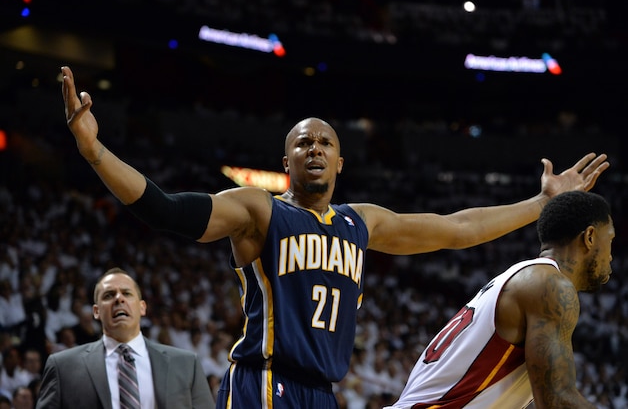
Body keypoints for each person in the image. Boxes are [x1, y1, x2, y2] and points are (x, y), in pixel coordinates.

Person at [59, 65, 609, 408]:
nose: (315, 148)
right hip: (264, 383)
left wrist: (541, 204)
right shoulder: (259, 210)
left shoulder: (361, 222)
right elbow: (166, 210)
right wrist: (94, 151)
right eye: (303, 143)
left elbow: (457, 229)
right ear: (287, 160)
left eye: (324, 142)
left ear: (341, 161)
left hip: (323, 393)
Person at [386, 190, 614, 409]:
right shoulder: (549, 285)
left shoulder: (522, 278)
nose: (611, 256)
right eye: (610, 240)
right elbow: (557, 401)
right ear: (590, 237)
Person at [36, 268, 214, 409]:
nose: (118, 299)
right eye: (108, 295)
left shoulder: (186, 364)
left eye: (127, 294)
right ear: (96, 312)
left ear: (142, 307)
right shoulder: (63, 367)